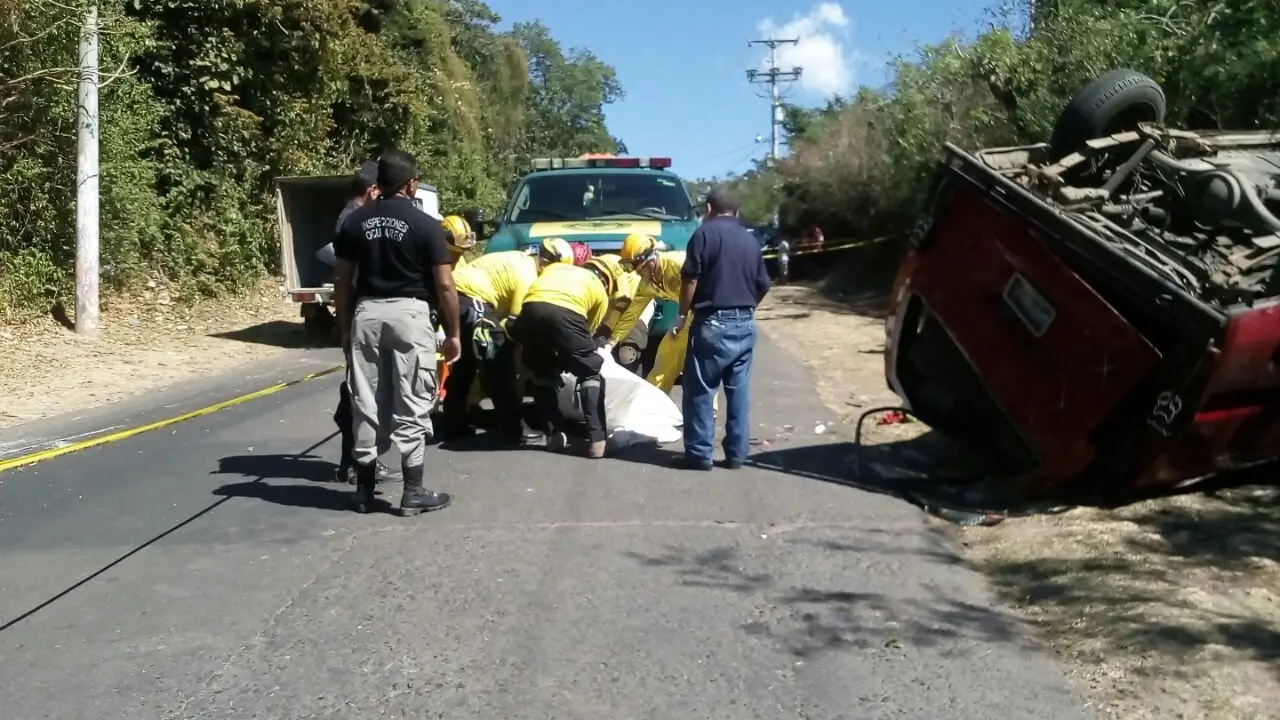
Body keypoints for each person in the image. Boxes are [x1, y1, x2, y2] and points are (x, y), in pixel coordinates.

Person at [334, 150, 462, 515]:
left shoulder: (355, 222)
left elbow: (342, 281)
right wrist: (453, 333)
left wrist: (345, 329)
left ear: (379, 185)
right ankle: (413, 490)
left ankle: (363, 491)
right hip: (410, 314)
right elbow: (446, 285)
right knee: (413, 398)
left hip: (367, 314)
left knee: (366, 399)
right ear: (411, 184)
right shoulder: (426, 225)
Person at [438, 237, 575, 444]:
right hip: (473, 299)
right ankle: (515, 430)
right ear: (547, 264)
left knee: (465, 364)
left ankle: (454, 422)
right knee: (499, 364)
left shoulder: (520, 260)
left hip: (454, 299)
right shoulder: (528, 275)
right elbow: (515, 322)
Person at [672, 186, 770, 471]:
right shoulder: (750, 241)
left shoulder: (704, 234)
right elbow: (764, 284)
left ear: (709, 209)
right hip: (745, 322)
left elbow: (690, 280)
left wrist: (682, 314)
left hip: (712, 322)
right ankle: (737, 455)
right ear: (736, 211)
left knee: (701, 390)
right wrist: (746, 307)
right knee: (738, 392)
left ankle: (700, 454)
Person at [510, 258, 622, 458]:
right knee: (590, 370)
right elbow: (587, 334)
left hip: (530, 310)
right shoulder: (600, 292)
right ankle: (597, 440)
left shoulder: (556, 268)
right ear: (607, 282)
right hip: (567, 313)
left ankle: (554, 434)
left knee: (542, 371)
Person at [608, 234, 693, 393]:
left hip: (710, 316)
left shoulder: (679, 264)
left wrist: (684, 316)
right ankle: (653, 405)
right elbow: (631, 314)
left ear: (651, 259)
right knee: (665, 359)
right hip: (687, 319)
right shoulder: (648, 282)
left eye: (639, 268)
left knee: (698, 367)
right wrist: (610, 343)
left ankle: (709, 413)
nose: (638, 274)